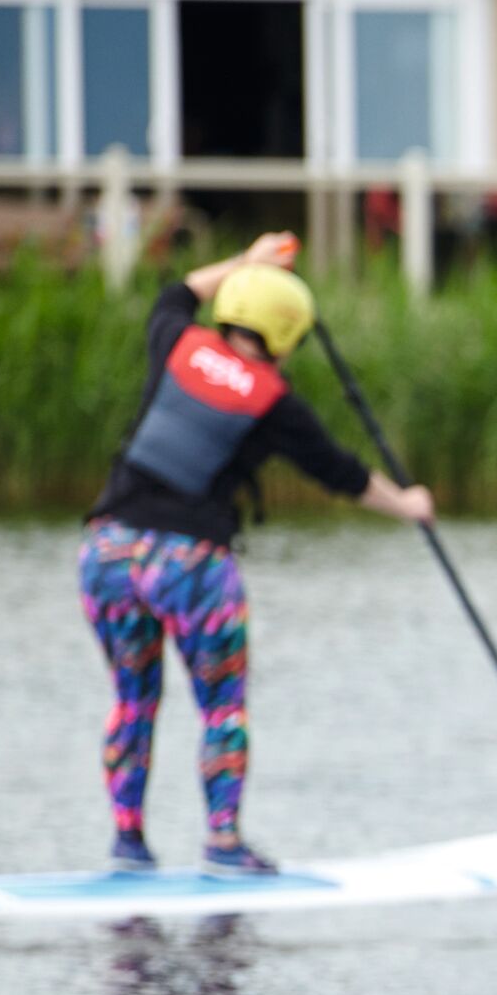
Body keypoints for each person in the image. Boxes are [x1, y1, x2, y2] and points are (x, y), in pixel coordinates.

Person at [78, 231, 435, 875]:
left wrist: (247, 260)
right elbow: (342, 474)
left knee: (134, 700)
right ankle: (222, 844)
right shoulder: (275, 401)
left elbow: (177, 290)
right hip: (189, 565)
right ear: (288, 331)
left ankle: (127, 844)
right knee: (222, 707)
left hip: (107, 552)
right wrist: (408, 505)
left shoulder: (176, 341)